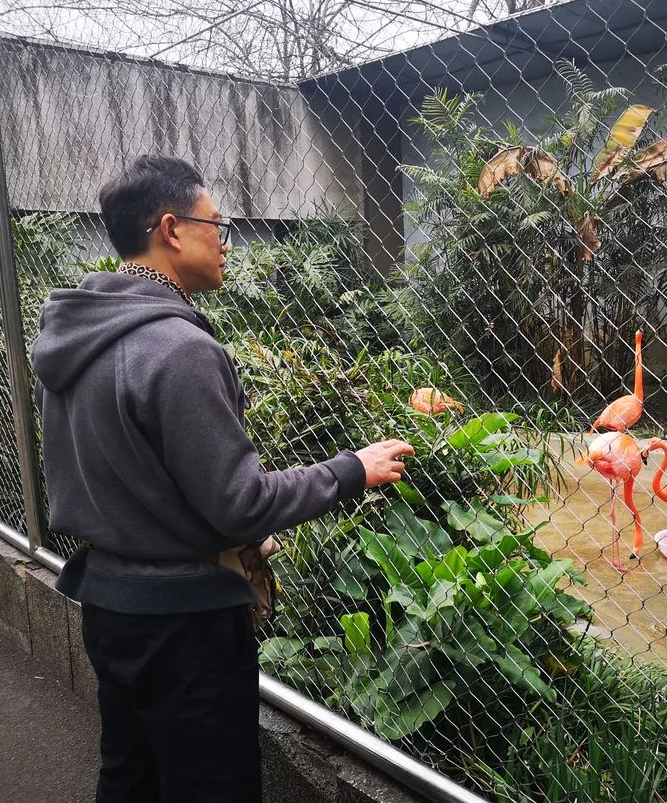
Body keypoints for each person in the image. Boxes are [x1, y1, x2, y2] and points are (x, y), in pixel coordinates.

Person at [30, 155, 413, 802]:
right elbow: (240, 504)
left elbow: (118, 478)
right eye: (220, 225)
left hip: (109, 605)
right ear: (172, 229)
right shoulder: (180, 349)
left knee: (130, 775)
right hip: (184, 627)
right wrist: (353, 470)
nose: (227, 242)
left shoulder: (73, 335)